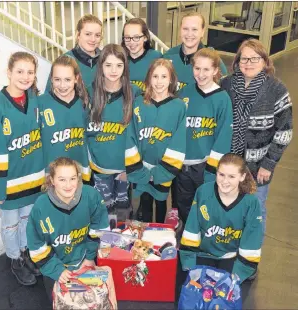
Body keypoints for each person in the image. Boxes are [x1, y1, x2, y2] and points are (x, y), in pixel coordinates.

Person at [0, 51, 44, 286]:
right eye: (20, 71)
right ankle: (14, 259)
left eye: (30, 72)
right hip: (9, 184)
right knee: (10, 224)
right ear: (9, 72)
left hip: (33, 180)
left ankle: (25, 253)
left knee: (27, 220)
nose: (25, 77)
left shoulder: (35, 100)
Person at [220, 39, 293, 235]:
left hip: (258, 167)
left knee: (255, 210)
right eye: (244, 58)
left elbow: (284, 131)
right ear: (237, 61)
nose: (249, 63)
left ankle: (251, 255)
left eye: (255, 58)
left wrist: (268, 164)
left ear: (265, 62)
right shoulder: (226, 85)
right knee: (227, 207)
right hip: (227, 165)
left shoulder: (276, 90)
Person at [26, 157, 109, 302]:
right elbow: (37, 245)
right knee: (63, 302)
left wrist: (90, 257)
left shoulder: (91, 196)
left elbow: (100, 228)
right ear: (52, 180)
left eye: (72, 178)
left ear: (78, 178)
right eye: (62, 179)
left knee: (92, 300)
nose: (68, 185)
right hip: (55, 264)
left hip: (85, 260)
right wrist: (57, 270)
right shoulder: (41, 207)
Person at [180, 153, 263, 283]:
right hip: (204, 253)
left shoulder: (251, 203)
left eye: (231, 176)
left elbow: (252, 240)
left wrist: (239, 273)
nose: (225, 181)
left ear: (242, 177)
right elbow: (192, 227)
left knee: (223, 294)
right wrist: (189, 262)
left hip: (231, 257)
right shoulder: (203, 192)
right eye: (221, 174)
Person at [173, 48, 233, 226]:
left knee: (206, 206)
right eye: (197, 68)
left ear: (215, 70)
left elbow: (224, 136)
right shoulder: (184, 93)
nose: (201, 74)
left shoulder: (222, 99)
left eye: (206, 69)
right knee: (183, 205)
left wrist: (212, 168)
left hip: (205, 166)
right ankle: (187, 238)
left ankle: (204, 240)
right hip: (183, 164)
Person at [125, 58, 186, 223]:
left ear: (172, 79)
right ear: (149, 79)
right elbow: (131, 137)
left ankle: (159, 238)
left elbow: (178, 143)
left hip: (164, 169)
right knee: (144, 205)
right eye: (155, 76)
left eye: (164, 77)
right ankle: (144, 244)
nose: (159, 81)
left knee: (160, 205)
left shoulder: (179, 107)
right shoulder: (138, 104)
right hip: (142, 167)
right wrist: (139, 169)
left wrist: (161, 172)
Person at [86, 44, 140, 221]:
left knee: (124, 214)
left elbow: (142, 134)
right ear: (100, 66)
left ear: (125, 67)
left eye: (118, 65)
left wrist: (130, 167)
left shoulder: (134, 94)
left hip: (124, 168)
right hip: (100, 168)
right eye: (108, 65)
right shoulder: (89, 93)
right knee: (104, 215)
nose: (113, 70)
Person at [39, 55, 91, 182]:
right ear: (51, 79)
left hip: (79, 173)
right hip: (52, 176)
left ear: (76, 78)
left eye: (67, 79)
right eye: (57, 79)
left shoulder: (84, 102)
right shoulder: (40, 104)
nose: (62, 85)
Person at [163, 12, 227, 91]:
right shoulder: (169, 56)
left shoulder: (212, 58)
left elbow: (223, 89)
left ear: (202, 32)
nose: (189, 34)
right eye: (185, 29)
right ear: (180, 30)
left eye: (194, 29)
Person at [45, 14, 102, 92]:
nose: (93, 39)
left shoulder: (106, 59)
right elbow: (49, 96)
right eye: (88, 34)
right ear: (78, 35)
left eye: (97, 35)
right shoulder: (64, 61)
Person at [121, 18, 162, 92]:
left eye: (136, 37)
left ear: (145, 37)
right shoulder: (119, 59)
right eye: (127, 37)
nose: (131, 42)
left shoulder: (156, 57)